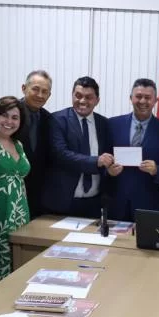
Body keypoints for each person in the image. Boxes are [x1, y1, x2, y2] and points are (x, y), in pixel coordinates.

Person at [42, 76, 113, 218]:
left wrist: (110, 168)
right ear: (72, 96)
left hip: (95, 203)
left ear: (97, 100)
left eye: (89, 97)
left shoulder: (104, 124)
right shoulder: (57, 120)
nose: (82, 101)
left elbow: (107, 157)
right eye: (78, 96)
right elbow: (60, 154)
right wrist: (96, 161)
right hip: (63, 203)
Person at [105, 78, 159, 221]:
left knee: (145, 243)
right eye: (138, 96)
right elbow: (102, 159)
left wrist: (157, 170)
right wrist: (108, 171)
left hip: (149, 204)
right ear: (131, 98)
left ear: (156, 100)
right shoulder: (112, 125)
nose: (142, 101)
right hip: (116, 201)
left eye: (148, 97)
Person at [0, 96, 31, 282]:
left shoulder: (18, 145)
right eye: (4, 116)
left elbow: (20, 180)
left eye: (15, 117)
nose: (9, 122)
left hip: (20, 214)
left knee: (20, 266)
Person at [20, 70, 53, 218]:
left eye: (44, 91)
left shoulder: (50, 119)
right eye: (35, 89)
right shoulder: (8, 114)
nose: (40, 95)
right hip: (12, 190)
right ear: (24, 88)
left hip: (39, 196)